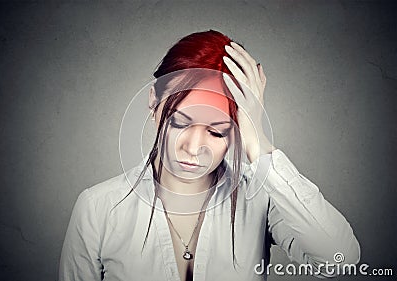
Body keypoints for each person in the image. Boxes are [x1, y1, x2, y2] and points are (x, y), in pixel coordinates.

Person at [58, 30, 360, 281]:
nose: (193, 148)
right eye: (178, 122)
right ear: (153, 101)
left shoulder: (261, 198)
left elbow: (339, 260)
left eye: (217, 131)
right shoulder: (98, 209)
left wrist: (258, 142)